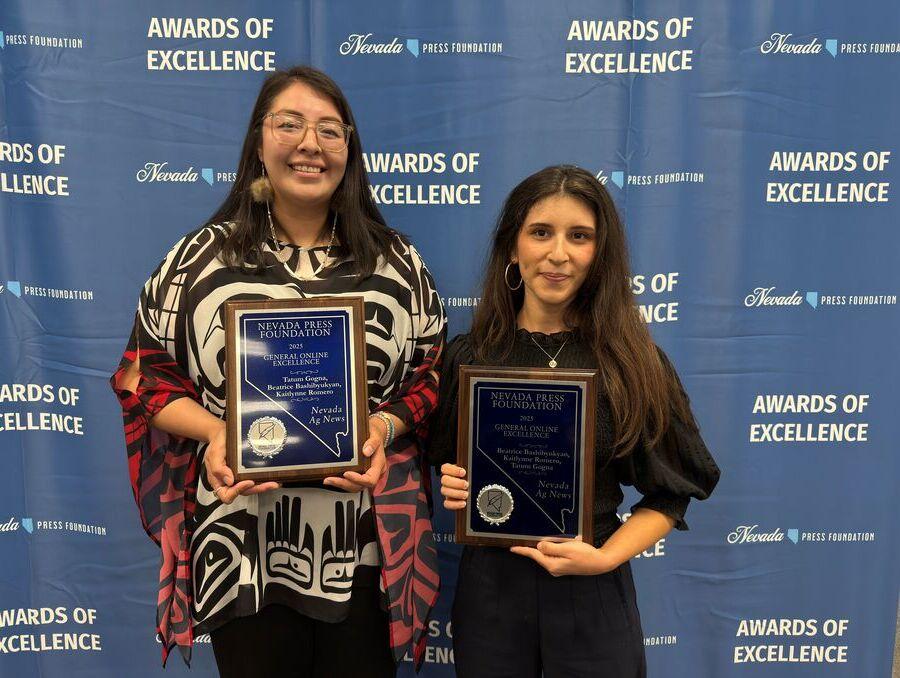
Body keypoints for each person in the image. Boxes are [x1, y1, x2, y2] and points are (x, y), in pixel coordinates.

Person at [110, 65, 446, 677]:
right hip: (240, 544)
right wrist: (215, 433)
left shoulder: (398, 263)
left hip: (362, 544)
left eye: (329, 129)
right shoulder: (195, 261)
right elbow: (140, 377)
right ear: (258, 142)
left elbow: (430, 379)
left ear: (349, 147)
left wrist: (381, 430)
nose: (310, 144)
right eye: (289, 124)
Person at [429, 165, 720, 677]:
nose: (558, 253)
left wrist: (605, 558)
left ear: (599, 254)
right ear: (513, 248)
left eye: (579, 236)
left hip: (592, 593)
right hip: (489, 596)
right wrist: (455, 482)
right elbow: (446, 465)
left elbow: (672, 493)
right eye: (540, 232)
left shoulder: (632, 362)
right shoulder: (469, 357)